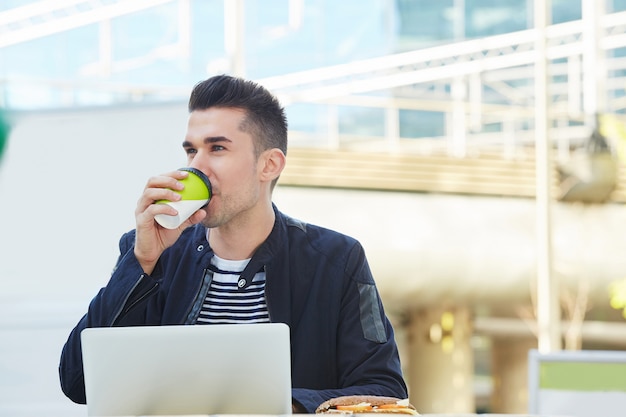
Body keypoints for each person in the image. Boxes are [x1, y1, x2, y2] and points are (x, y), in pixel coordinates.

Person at [58, 74, 408, 413]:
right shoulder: (152, 254)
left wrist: (279, 406)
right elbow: (78, 382)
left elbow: (385, 392)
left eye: (218, 148)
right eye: (191, 151)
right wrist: (141, 264)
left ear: (269, 164)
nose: (196, 167)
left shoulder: (336, 260)